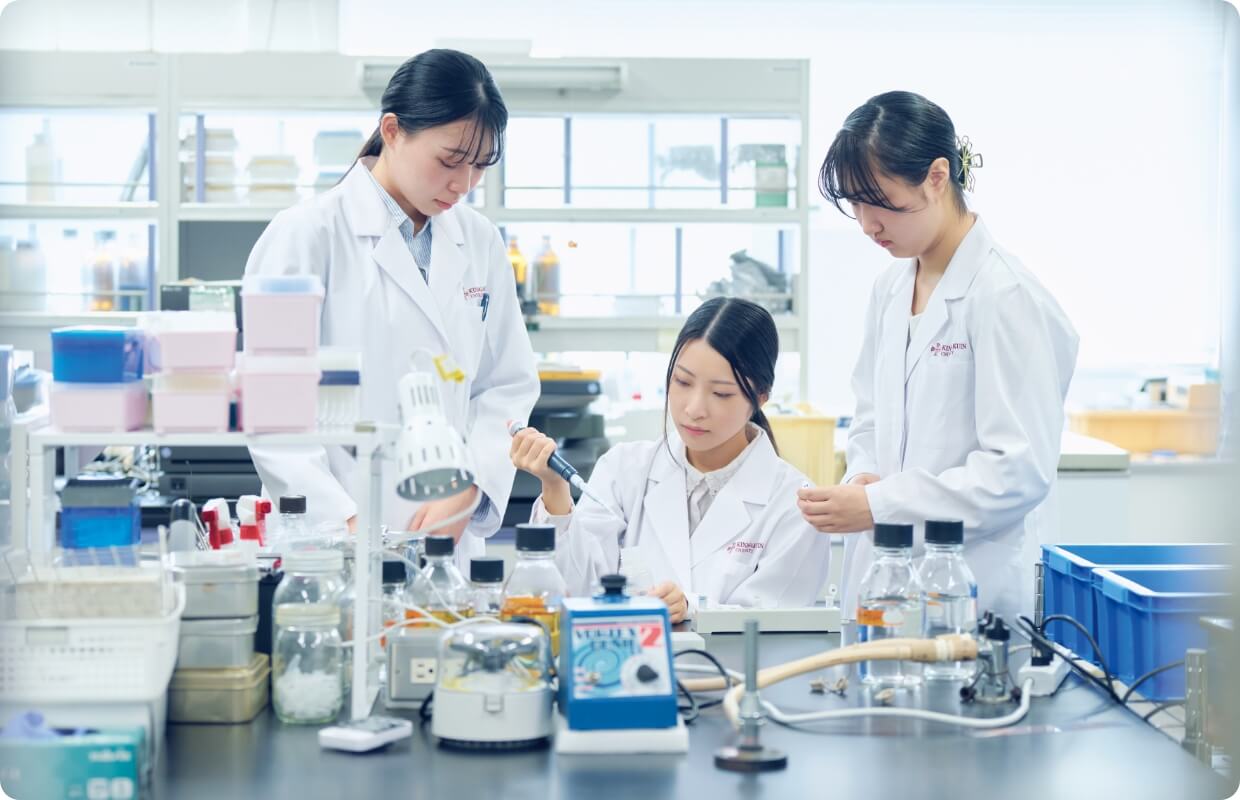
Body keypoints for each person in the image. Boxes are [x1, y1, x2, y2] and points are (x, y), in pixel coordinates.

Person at [244, 49, 539, 570]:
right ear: (393, 131)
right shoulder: (306, 235)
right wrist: (342, 524)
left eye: (480, 166)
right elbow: (273, 408)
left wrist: (469, 488)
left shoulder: (480, 241)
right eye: (450, 160)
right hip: (335, 538)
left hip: (447, 536)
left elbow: (506, 384)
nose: (465, 183)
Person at [799, 90, 1079, 622]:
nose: (867, 224)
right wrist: (863, 479)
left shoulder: (1005, 296)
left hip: (976, 583)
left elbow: (1016, 471)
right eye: (855, 204)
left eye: (881, 202)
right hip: (889, 574)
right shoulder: (890, 288)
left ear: (935, 177)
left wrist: (881, 505)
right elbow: (869, 420)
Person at [510, 298, 829, 622]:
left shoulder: (794, 506)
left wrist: (693, 609)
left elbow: (779, 623)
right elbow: (573, 590)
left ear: (760, 397)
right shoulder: (625, 470)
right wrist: (555, 489)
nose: (694, 408)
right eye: (683, 382)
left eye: (721, 393)